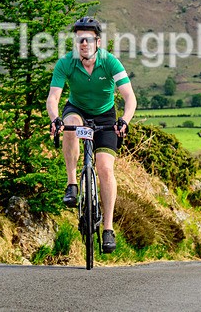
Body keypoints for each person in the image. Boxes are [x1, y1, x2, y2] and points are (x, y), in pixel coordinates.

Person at [47, 16, 137, 254]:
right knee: (70, 126)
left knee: (106, 169)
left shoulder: (110, 62)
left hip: (106, 116)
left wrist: (124, 121)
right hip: (77, 109)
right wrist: (54, 118)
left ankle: (107, 228)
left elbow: (130, 97)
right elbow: (54, 97)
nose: (82, 44)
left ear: (97, 41)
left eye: (87, 39)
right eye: (78, 40)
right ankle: (72, 184)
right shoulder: (66, 62)